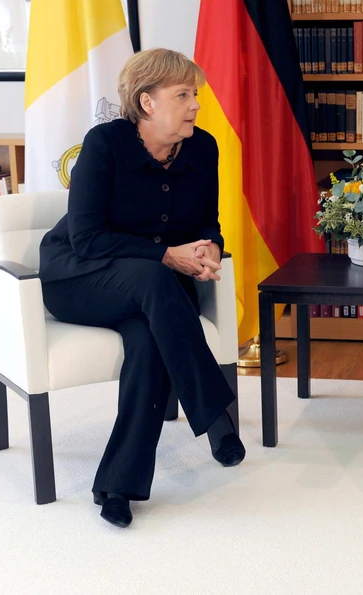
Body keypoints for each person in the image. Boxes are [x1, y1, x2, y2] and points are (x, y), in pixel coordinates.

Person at [38, 48, 245, 528]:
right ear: (147, 102)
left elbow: (207, 222)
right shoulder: (105, 144)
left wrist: (210, 249)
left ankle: (118, 486)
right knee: (154, 276)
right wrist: (166, 255)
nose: (196, 104)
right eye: (183, 95)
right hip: (80, 278)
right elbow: (87, 240)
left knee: (150, 339)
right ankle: (215, 415)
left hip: (156, 292)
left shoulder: (203, 147)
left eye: (195, 94)